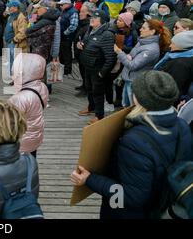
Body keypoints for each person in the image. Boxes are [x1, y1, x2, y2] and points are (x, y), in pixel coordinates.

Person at [71, 71, 193, 219]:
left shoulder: (134, 142)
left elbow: (132, 197)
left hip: (129, 212)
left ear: (139, 99)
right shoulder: (182, 125)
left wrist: (90, 179)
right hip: (162, 203)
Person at [115, 19, 170, 107]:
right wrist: (128, 56)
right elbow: (131, 57)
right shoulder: (142, 41)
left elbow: (133, 65)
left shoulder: (151, 49)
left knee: (133, 109)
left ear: (152, 32)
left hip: (136, 83)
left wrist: (119, 53)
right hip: (129, 80)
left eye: (143, 28)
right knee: (126, 106)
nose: (140, 29)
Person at [78, 10, 116, 125]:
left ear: (102, 21)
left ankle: (99, 115)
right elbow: (84, 43)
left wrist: (102, 72)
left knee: (97, 92)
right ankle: (91, 107)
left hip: (97, 69)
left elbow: (110, 57)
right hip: (88, 66)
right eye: (92, 17)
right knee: (89, 89)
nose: (92, 19)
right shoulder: (90, 30)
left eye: (95, 18)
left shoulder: (107, 35)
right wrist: (80, 45)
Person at [9, 53, 49, 157]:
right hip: (35, 134)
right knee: (31, 160)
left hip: (21, 140)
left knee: (20, 167)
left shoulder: (20, 98)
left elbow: (10, 121)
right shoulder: (42, 87)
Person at [155, 30, 193, 106]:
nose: (170, 46)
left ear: (182, 46)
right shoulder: (179, 55)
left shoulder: (180, 64)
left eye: (173, 43)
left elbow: (175, 88)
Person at [74, 2, 96, 97]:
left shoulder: (88, 25)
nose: (80, 13)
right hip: (80, 53)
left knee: (85, 72)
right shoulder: (82, 23)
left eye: (82, 12)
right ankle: (84, 85)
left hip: (84, 54)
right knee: (82, 71)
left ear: (89, 14)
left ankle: (87, 89)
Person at [4, 0, 28, 74]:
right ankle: (12, 78)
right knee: (10, 61)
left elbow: (22, 32)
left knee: (16, 62)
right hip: (8, 42)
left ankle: (17, 78)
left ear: (15, 7)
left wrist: (14, 40)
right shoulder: (11, 16)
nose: (9, 8)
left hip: (15, 44)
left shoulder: (21, 17)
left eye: (10, 7)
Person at [58, 0, 79, 75]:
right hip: (62, 35)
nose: (60, 6)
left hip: (67, 37)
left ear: (67, 4)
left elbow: (73, 25)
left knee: (67, 53)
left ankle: (67, 69)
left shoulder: (73, 12)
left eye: (62, 4)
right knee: (62, 52)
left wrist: (65, 33)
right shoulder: (65, 11)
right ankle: (63, 68)